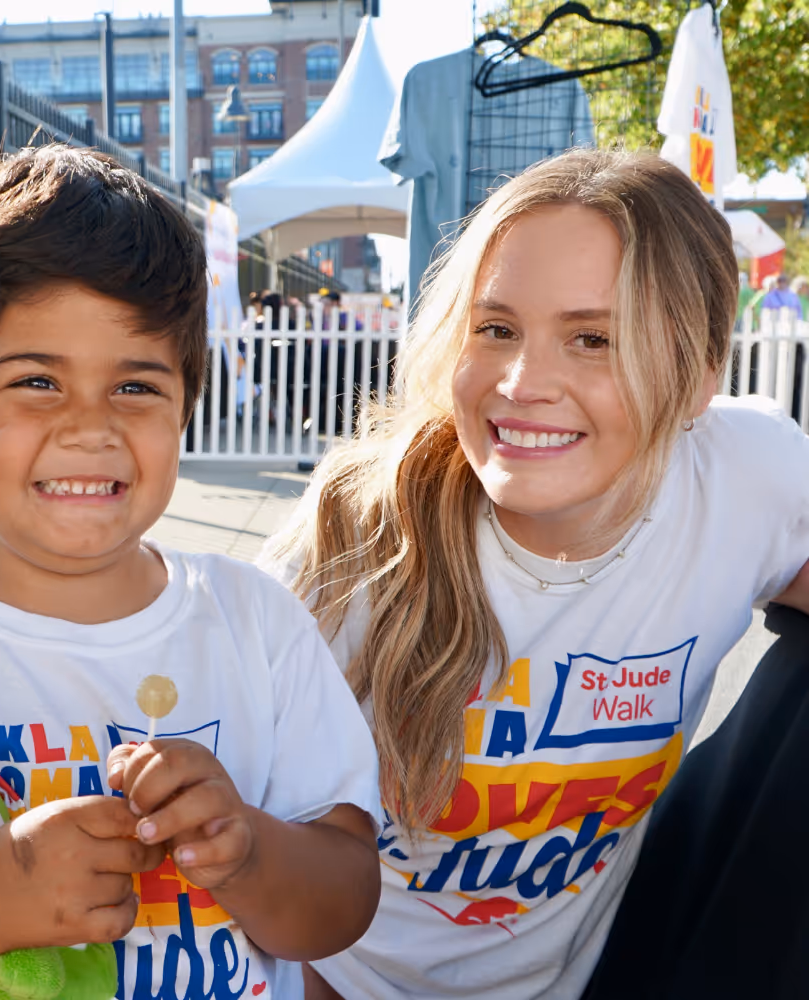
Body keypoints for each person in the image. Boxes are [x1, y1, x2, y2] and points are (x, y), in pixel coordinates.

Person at [0, 145, 382, 1000]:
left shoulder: (254, 622)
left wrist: (248, 850)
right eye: (36, 380)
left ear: (185, 404)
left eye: (136, 387)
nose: (90, 427)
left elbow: (343, 902)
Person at [264, 148, 809, 999]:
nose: (523, 384)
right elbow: (239, 826)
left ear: (701, 376)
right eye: (497, 329)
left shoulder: (747, 480)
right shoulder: (358, 535)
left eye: (593, 339)